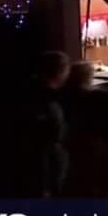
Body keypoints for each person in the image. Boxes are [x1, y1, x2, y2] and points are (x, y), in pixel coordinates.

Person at [58, 62, 108, 198]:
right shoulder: (103, 98)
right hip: (98, 153)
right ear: (90, 77)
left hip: (71, 155)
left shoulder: (61, 99)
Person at [23, 51, 71, 198]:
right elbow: (46, 139)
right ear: (60, 72)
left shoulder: (32, 93)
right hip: (46, 166)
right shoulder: (46, 100)